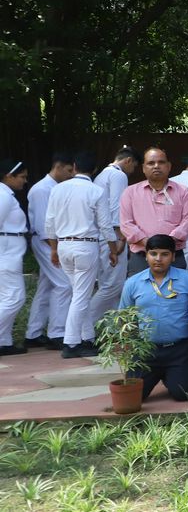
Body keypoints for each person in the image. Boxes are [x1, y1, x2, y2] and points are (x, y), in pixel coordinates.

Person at [45, 152, 120, 357]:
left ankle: (87, 338)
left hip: (63, 245)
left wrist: (53, 248)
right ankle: (71, 343)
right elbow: (105, 225)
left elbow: (49, 222)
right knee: (81, 295)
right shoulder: (96, 190)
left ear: (74, 166)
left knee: (80, 294)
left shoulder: (57, 189)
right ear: (94, 170)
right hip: (85, 246)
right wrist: (113, 250)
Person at [119, 234, 188, 399]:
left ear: (173, 257)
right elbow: (124, 318)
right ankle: (162, 374)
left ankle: (171, 376)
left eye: (164, 254)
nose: (158, 259)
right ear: (146, 255)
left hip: (181, 350)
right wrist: (130, 348)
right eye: (153, 254)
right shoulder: (132, 283)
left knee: (182, 394)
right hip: (146, 351)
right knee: (134, 396)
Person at [118, 148, 188, 281]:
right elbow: (126, 224)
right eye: (151, 163)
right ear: (143, 168)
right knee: (140, 292)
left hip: (174, 256)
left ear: (169, 166)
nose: (156, 166)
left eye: (161, 162)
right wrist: (149, 244)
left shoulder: (184, 192)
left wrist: (166, 245)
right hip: (141, 257)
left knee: (176, 292)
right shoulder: (130, 193)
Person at [24, 152, 75, 349]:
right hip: (46, 241)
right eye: (69, 170)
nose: (71, 175)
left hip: (51, 242)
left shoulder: (54, 187)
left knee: (46, 287)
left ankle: (33, 333)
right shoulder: (42, 189)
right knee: (64, 285)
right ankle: (57, 333)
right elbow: (43, 225)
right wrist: (55, 249)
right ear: (58, 167)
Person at [91, 147, 139, 317]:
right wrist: (121, 236)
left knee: (109, 283)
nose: (132, 171)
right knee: (113, 285)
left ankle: (110, 325)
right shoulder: (118, 175)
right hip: (112, 234)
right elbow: (116, 207)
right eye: (134, 167)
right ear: (128, 161)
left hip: (101, 233)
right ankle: (86, 323)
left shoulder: (101, 175)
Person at [0, 160, 29, 355]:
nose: (24, 181)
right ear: (9, 176)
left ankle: (4, 341)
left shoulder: (6, 195)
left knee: (7, 296)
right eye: (22, 177)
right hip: (6, 251)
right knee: (15, 297)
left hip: (10, 250)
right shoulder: (3, 196)